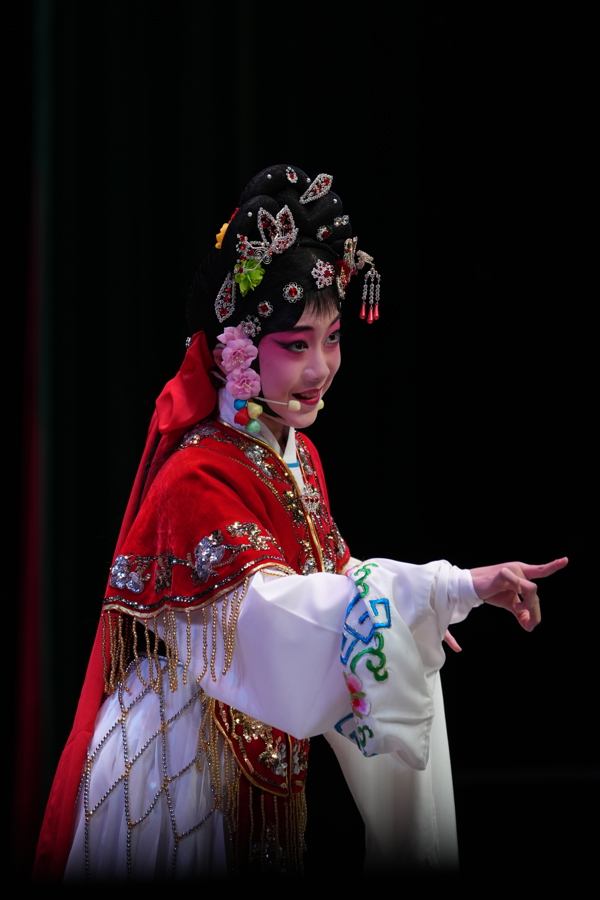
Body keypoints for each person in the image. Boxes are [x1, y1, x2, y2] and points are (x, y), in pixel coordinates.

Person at [34, 164, 567, 880]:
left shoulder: (297, 456)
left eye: (333, 337)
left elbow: (334, 576)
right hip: (177, 767)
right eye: (295, 344)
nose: (321, 368)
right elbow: (276, 615)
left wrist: (434, 600)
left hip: (256, 744)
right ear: (237, 348)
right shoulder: (197, 475)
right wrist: (433, 591)